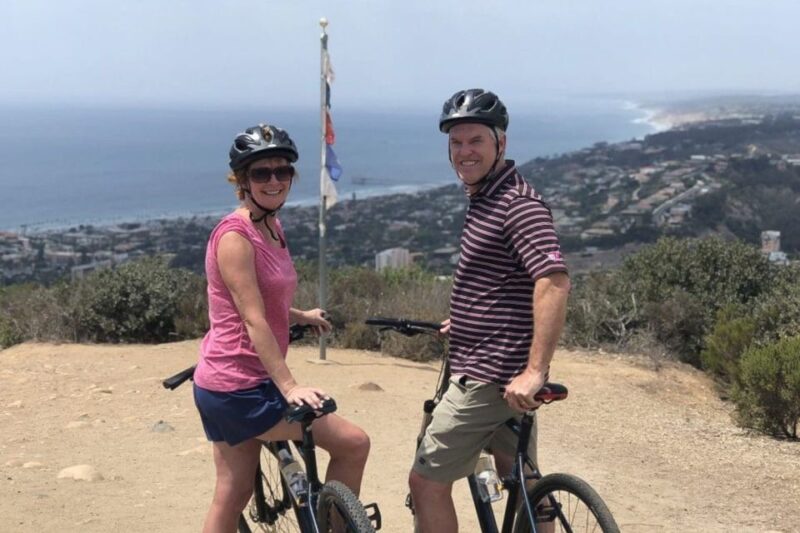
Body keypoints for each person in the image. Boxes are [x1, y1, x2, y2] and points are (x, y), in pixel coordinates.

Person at [192, 123, 370, 533]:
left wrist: (299, 315)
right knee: (354, 443)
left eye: (282, 171)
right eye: (261, 173)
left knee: (232, 491)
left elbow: (262, 301)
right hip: (237, 387)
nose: (274, 180)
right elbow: (252, 318)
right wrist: (290, 388)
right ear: (241, 180)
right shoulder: (235, 238)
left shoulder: (270, 225)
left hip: (235, 380)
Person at [408, 89, 571, 532]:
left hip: (488, 375)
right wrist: (465, 318)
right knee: (520, 480)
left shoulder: (517, 205)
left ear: (501, 143)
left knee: (425, 483)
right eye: (456, 143)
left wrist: (536, 370)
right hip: (500, 370)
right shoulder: (486, 197)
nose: (464, 152)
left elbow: (553, 281)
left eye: (475, 140)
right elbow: (505, 281)